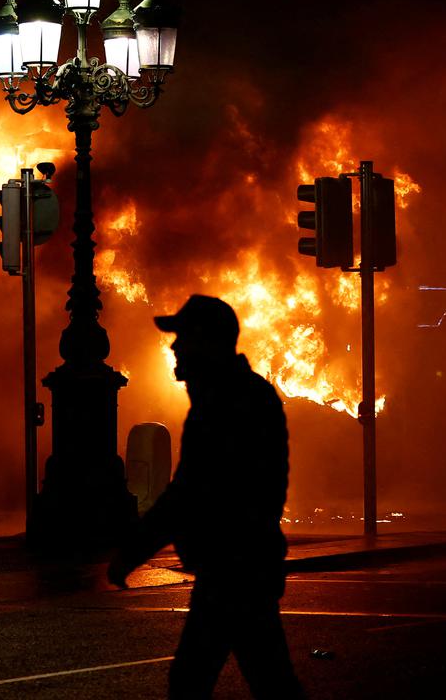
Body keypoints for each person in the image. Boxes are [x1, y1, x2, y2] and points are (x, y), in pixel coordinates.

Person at [108, 294, 304, 699]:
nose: (175, 347)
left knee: (199, 681)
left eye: (183, 337)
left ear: (207, 341)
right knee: (265, 680)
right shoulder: (234, 397)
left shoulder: (227, 404)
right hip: (239, 568)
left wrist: (132, 552)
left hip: (234, 569)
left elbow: (189, 494)